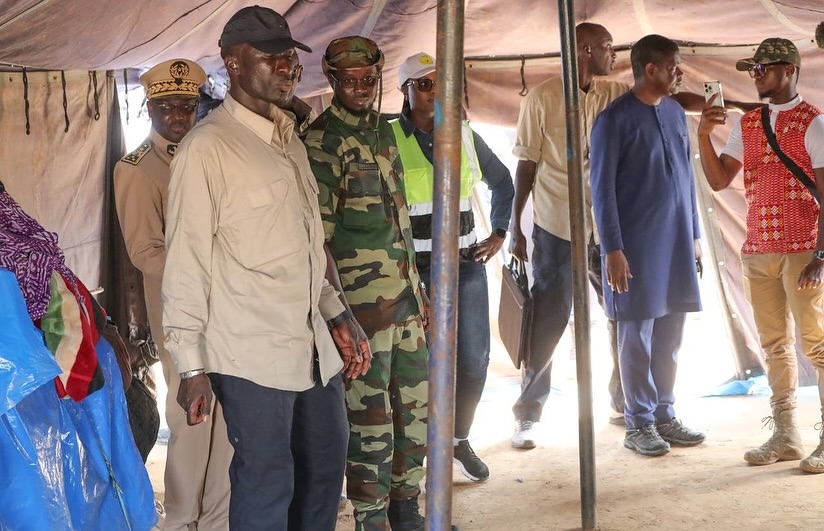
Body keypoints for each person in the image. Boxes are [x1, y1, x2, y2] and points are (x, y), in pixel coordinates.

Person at [161, 7, 371, 529]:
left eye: (290, 61)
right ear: (232, 63)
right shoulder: (205, 151)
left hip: (311, 345)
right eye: (272, 58)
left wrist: (336, 313)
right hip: (250, 351)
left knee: (324, 464)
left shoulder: (290, 141)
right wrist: (191, 366)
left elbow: (307, 245)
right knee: (267, 478)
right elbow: (185, 262)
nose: (286, 69)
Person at [304, 36, 430, 531]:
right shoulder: (321, 142)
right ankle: (371, 517)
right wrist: (342, 319)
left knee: (414, 412)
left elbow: (398, 223)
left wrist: (420, 296)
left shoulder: (385, 132)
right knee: (370, 422)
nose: (360, 88)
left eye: (368, 80)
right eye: (349, 80)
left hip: (405, 304)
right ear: (332, 80)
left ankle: (407, 505)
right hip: (361, 316)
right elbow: (321, 244)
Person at [113, 58, 233, 530]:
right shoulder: (138, 169)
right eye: (167, 106)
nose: (179, 115)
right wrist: (210, 274)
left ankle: (218, 521)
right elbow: (146, 253)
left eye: (187, 105)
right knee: (191, 418)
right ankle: (182, 520)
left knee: (227, 417)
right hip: (181, 311)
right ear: (149, 107)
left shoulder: (211, 155)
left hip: (227, 306)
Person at [698, 38, 824, 473]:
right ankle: (787, 434)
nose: (756, 76)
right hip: (759, 248)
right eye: (752, 70)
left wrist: (821, 256)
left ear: (789, 69)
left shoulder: (815, 123)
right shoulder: (748, 124)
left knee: (819, 346)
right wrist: (703, 134)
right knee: (775, 346)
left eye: (764, 69)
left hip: (804, 248)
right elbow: (718, 182)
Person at [390, 52, 513, 481]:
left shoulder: (462, 133)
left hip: (464, 267)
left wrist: (499, 233)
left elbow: (503, 182)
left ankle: (459, 440)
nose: (434, 92)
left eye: (441, 84)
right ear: (404, 91)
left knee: (474, 358)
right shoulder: (387, 138)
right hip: (412, 270)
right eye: (423, 84)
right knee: (416, 365)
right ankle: (417, 452)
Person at [509, 22, 628, 448]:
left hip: (606, 229)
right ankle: (528, 414)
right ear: (584, 49)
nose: (614, 55)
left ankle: (624, 402)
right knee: (548, 320)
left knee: (620, 316)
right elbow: (526, 166)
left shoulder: (614, 95)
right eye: (608, 47)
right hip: (556, 227)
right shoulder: (542, 97)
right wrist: (515, 229)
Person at [589, 33, 705, 457]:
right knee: (635, 333)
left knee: (671, 330)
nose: (679, 73)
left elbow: (686, 181)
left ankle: (664, 415)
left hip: (676, 243)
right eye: (674, 65)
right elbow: (601, 191)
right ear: (651, 68)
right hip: (633, 247)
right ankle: (638, 423)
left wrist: (693, 234)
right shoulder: (613, 120)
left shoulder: (674, 112)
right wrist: (612, 250)